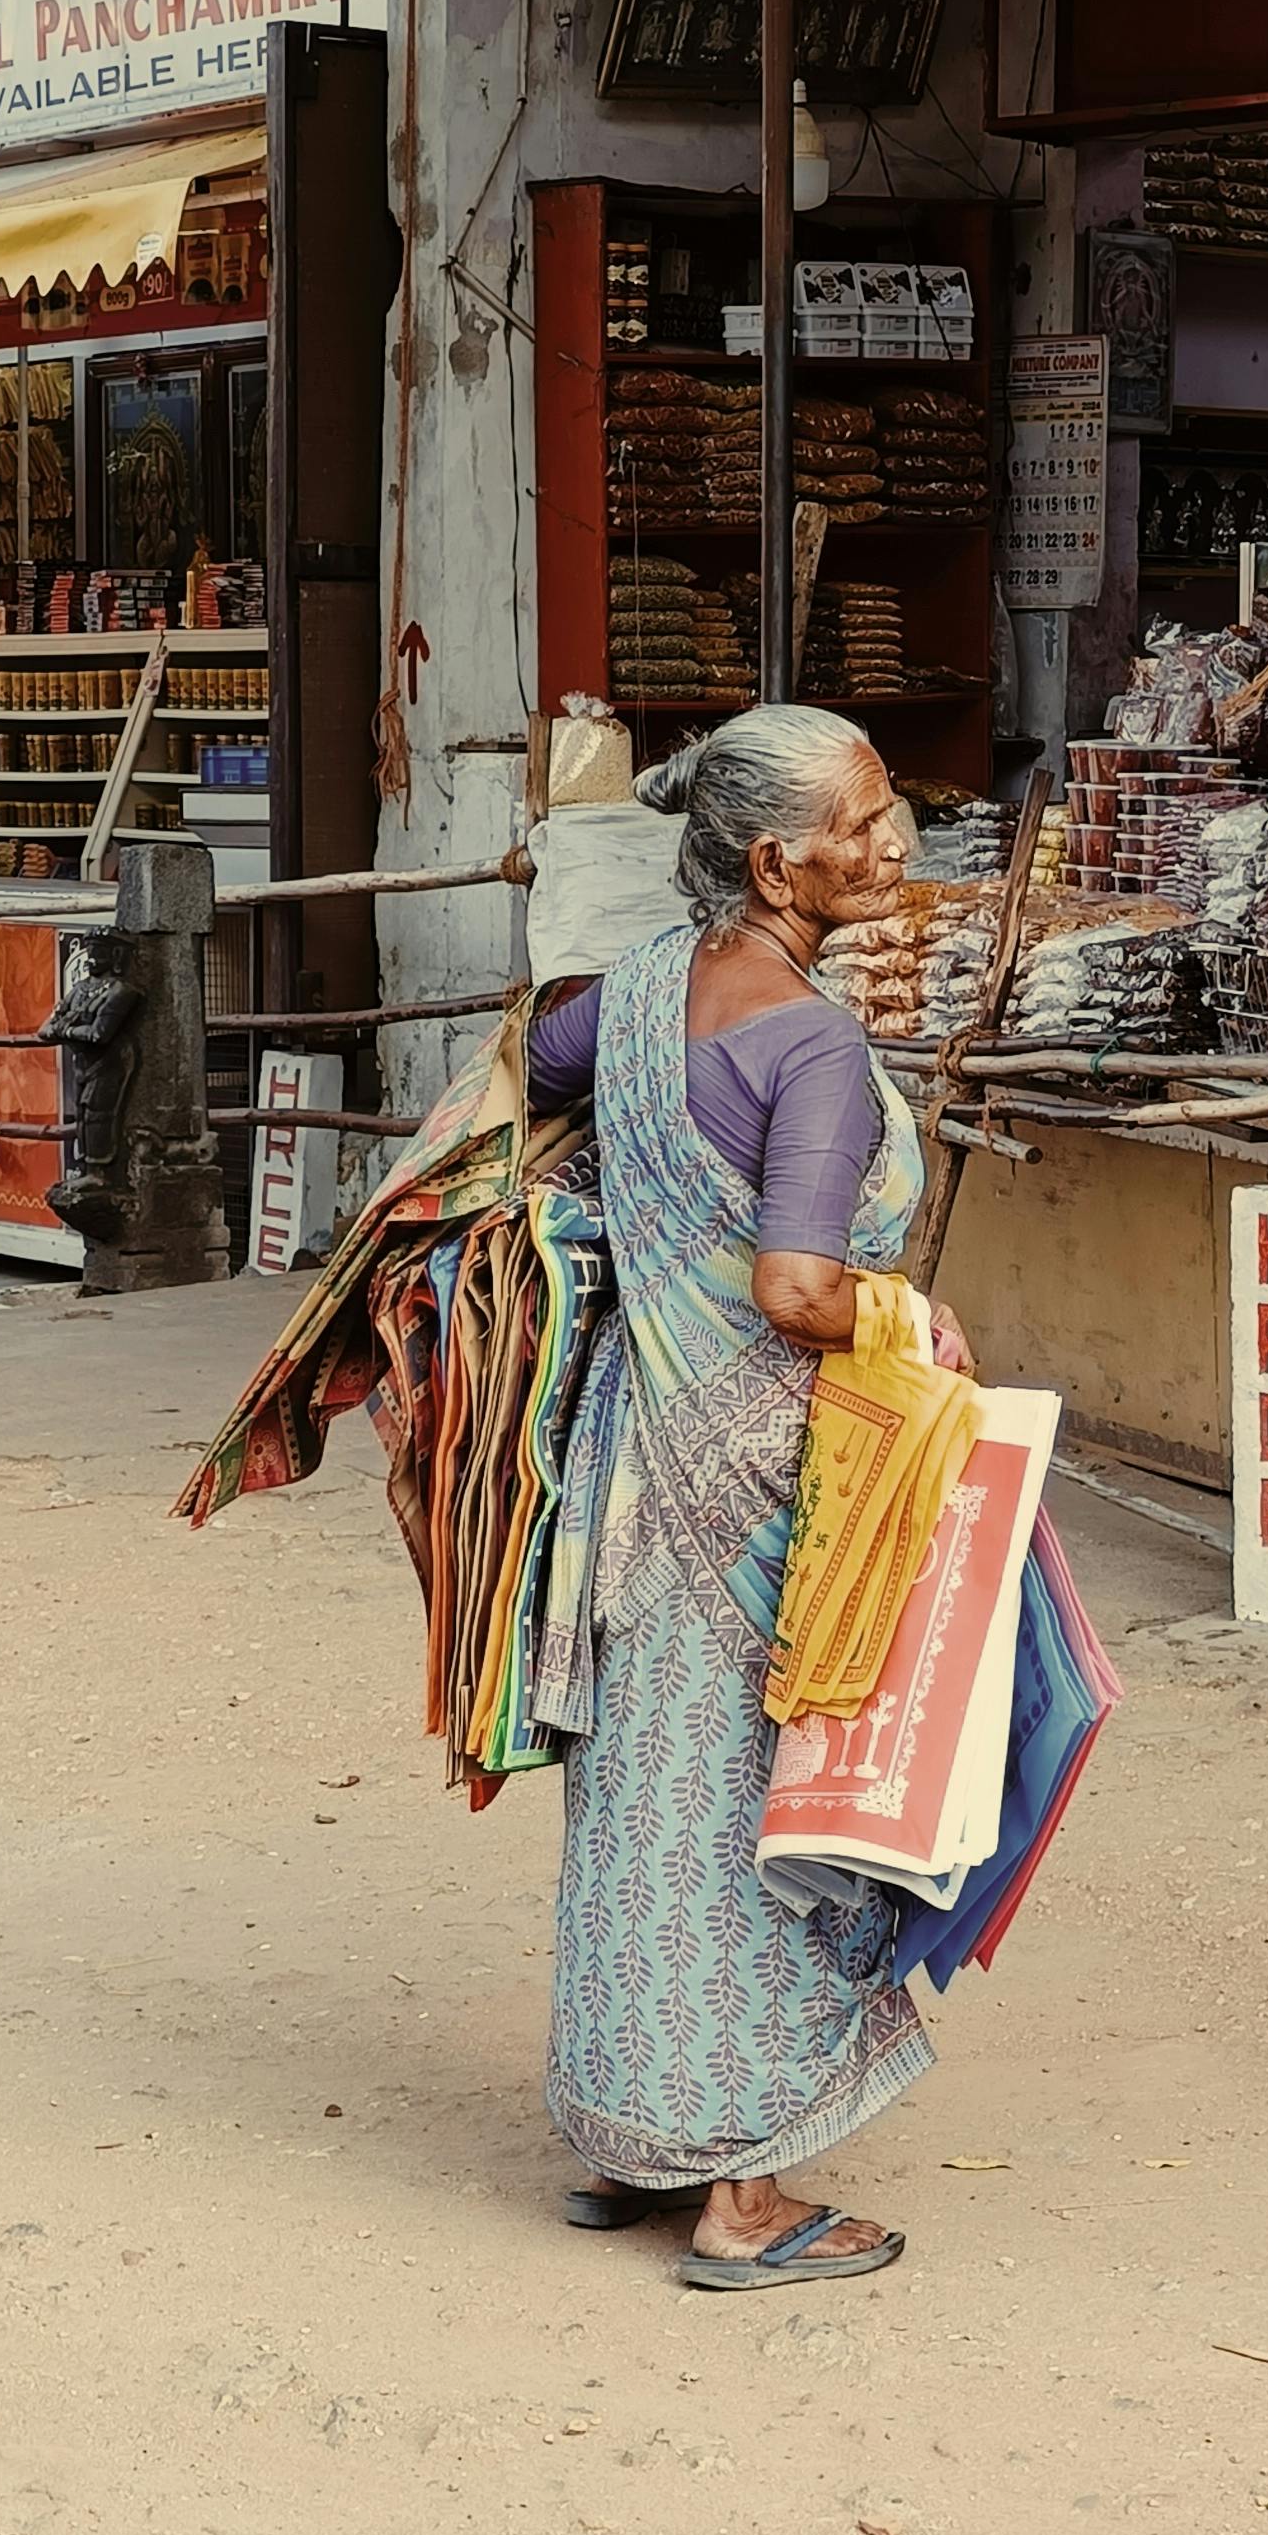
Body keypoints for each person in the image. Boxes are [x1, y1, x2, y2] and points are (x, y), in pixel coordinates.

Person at [522, 704, 972, 2293]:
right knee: (767, 1813)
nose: (895, 840)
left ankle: (632, 2138)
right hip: (775, 1482)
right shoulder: (815, 1046)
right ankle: (743, 2197)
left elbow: (539, 1063)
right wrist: (911, 1318)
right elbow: (797, 1285)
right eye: (862, 819)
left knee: (639, 1802)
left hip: (632, 1468)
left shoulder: (640, 989)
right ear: (777, 864)